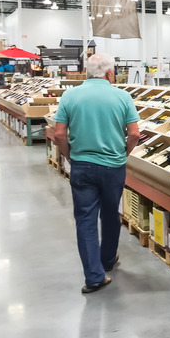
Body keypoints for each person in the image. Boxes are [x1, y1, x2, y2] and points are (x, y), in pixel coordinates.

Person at [54, 53, 140, 294]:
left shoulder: (70, 95)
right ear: (110, 73)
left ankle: (94, 277)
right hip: (113, 166)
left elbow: (59, 133)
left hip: (82, 165)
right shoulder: (122, 97)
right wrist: (123, 153)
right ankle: (107, 260)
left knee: (85, 220)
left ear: (85, 71)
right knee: (111, 214)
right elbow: (134, 133)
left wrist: (69, 155)